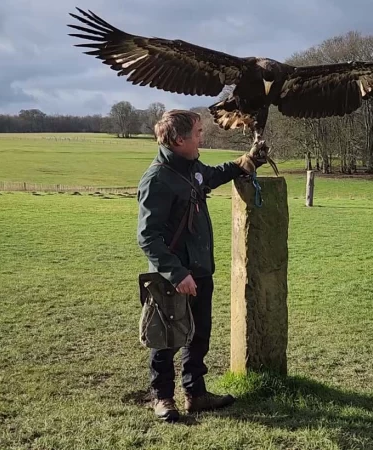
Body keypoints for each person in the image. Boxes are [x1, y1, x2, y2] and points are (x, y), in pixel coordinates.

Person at [136, 109, 267, 422]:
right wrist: (177, 274)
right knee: (166, 338)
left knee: (199, 335)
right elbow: (148, 237)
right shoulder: (157, 179)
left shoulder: (190, 168)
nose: (201, 137)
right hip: (172, 277)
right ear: (179, 139)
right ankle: (164, 398)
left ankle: (196, 394)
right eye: (197, 132)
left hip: (201, 269)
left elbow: (212, 176)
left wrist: (245, 162)